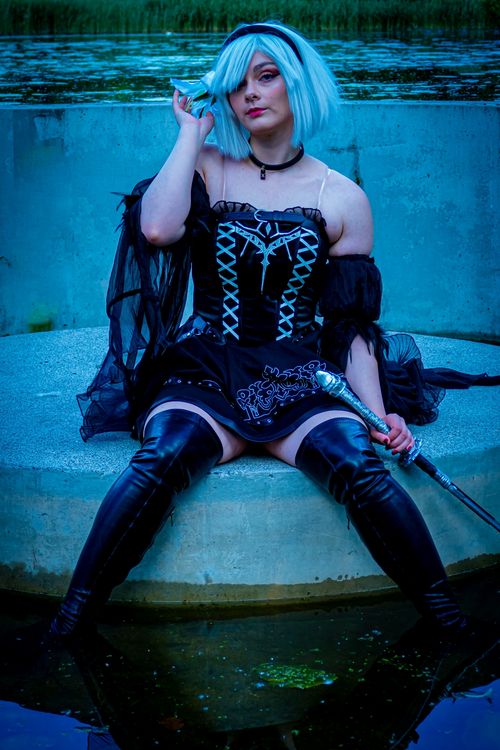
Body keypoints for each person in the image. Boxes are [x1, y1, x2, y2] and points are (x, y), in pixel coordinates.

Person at [51, 21, 488, 639]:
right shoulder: (209, 166)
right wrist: (189, 134)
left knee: (358, 464)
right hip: (207, 367)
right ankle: (68, 625)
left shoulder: (342, 197)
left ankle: (450, 626)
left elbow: (351, 324)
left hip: (298, 375)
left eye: (266, 77)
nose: (250, 94)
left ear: (297, 83)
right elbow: (156, 229)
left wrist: (376, 411)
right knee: (161, 457)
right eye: (237, 85)